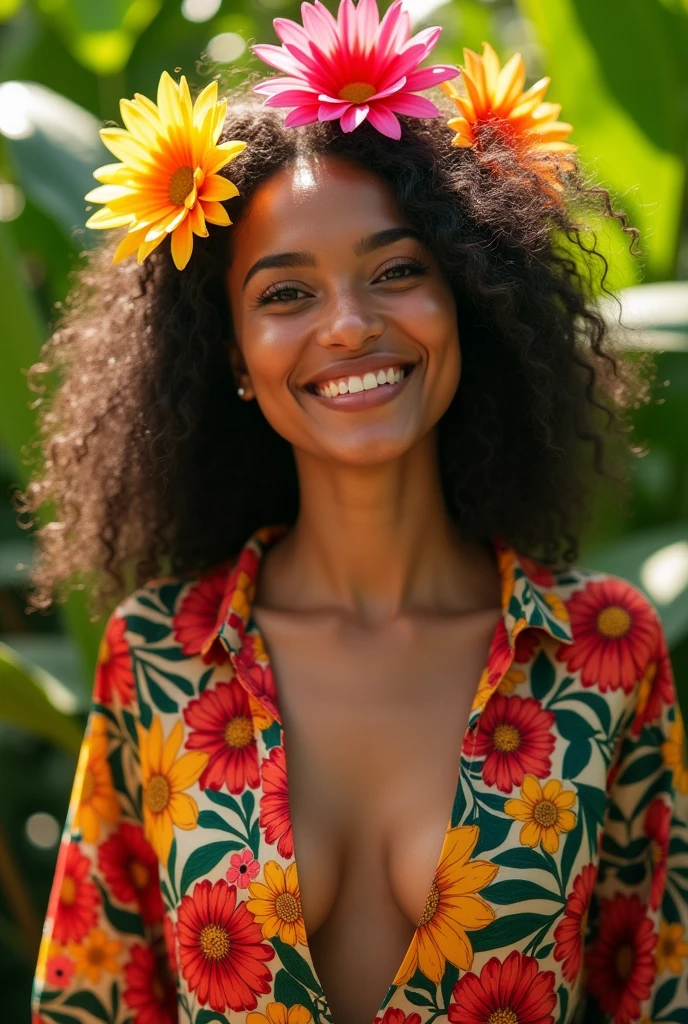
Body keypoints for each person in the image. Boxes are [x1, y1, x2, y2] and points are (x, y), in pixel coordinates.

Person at [24, 2, 688, 1022]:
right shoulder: (154, 659)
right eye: (285, 295)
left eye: (395, 272)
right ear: (232, 360)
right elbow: (92, 1001)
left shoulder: (603, 655)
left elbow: (658, 992)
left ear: (468, 296)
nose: (349, 324)